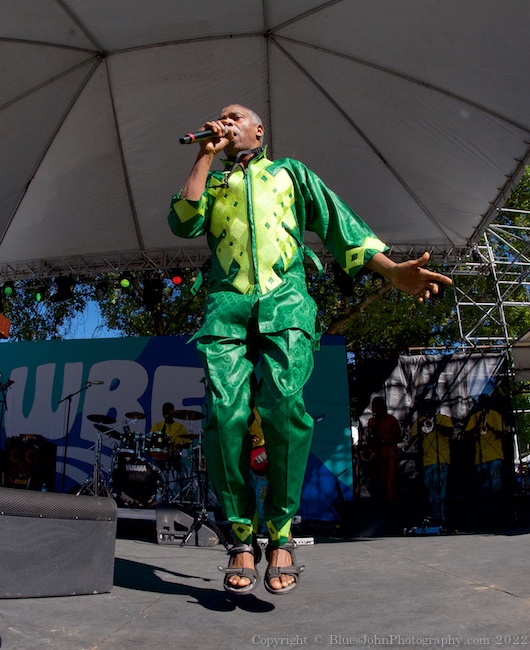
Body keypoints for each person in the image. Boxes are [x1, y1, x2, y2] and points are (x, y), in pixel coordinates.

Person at [168, 104, 452, 595]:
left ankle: (279, 534)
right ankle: (239, 537)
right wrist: (204, 157)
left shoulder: (289, 173)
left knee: (282, 406)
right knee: (224, 414)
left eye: (235, 115)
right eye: (221, 116)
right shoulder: (213, 182)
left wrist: (391, 271)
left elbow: (341, 224)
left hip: (286, 302)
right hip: (226, 306)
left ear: (259, 130)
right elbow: (182, 221)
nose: (225, 120)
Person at [410, 399, 454, 523]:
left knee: (440, 491)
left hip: (442, 459)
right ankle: (434, 516)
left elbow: (450, 433)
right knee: (430, 492)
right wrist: (419, 428)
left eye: (429, 407)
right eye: (424, 408)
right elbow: (412, 442)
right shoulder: (419, 422)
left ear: (435, 408)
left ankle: (441, 517)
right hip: (427, 462)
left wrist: (436, 425)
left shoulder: (443, 419)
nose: (426, 410)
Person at [464, 394, 505, 493]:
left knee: (495, 482)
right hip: (480, 456)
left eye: (485, 402)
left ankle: (496, 502)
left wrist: (490, 428)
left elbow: (501, 434)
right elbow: (467, 434)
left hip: (495, 454)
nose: (483, 405)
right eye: (481, 402)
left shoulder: (495, 415)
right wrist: (478, 424)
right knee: (484, 484)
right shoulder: (475, 416)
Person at [366, 397, 402, 501]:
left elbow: (398, 437)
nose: (375, 409)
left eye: (378, 406)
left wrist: (386, 439)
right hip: (377, 454)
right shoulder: (371, 421)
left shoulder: (391, 419)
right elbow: (369, 438)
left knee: (390, 482)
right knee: (379, 482)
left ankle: (390, 506)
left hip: (390, 454)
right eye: (374, 406)